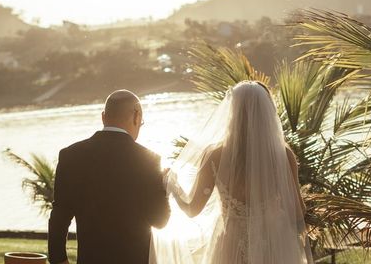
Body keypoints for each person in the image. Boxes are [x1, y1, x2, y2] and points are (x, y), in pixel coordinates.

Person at [151, 80, 312, 264]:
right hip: (273, 248)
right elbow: (298, 215)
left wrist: (173, 185)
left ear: (232, 113)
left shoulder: (215, 156)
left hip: (230, 247)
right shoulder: (283, 156)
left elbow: (192, 209)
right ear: (267, 114)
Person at [48, 89, 170, 264]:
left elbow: (59, 217)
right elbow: (160, 220)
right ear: (136, 116)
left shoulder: (71, 155)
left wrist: (59, 260)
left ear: (103, 117)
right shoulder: (149, 160)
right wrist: (162, 186)